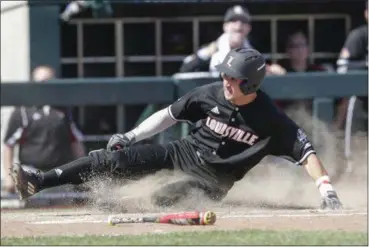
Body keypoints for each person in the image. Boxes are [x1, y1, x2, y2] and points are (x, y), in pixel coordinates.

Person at [10, 48, 342, 210]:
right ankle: (40, 181)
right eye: (225, 75)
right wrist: (131, 136)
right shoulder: (211, 93)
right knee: (108, 159)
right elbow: (169, 115)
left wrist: (327, 191)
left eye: (233, 77)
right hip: (179, 152)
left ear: (251, 83)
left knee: (169, 194)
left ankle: (119, 204)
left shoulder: (270, 118)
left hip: (210, 181)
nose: (226, 81)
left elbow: (306, 152)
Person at [2, 65, 86, 193]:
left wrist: (83, 172)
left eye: (49, 82)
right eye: (41, 82)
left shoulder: (64, 109)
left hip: (59, 172)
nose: (45, 86)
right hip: (31, 171)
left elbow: (76, 142)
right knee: (32, 209)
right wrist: (9, 178)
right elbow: (9, 145)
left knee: (64, 208)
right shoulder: (22, 111)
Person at [179, 5, 253, 73]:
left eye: (243, 21)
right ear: (225, 26)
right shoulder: (210, 50)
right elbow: (185, 69)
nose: (239, 24)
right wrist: (206, 55)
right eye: (233, 20)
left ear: (249, 28)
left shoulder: (254, 55)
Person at [334, 1, 368, 130]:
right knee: (359, 145)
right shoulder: (359, 35)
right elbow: (342, 67)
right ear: (366, 14)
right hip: (361, 102)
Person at [274, 31, 328, 111]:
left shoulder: (318, 71)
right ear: (288, 51)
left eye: (303, 45)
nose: (300, 49)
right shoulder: (282, 72)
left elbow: (340, 99)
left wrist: (337, 123)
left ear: (308, 49)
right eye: (295, 46)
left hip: (315, 120)